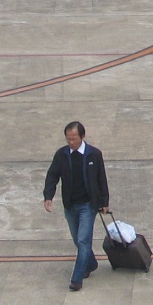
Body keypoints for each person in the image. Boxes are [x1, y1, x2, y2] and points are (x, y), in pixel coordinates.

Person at [42, 120, 110, 291]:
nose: (71, 142)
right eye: (68, 139)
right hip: (70, 205)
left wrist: (104, 202)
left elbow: (102, 179)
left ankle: (77, 279)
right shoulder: (62, 155)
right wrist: (48, 196)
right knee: (79, 241)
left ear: (82, 137)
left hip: (88, 206)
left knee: (82, 239)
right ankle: (91, 263)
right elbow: (52, 175)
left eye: (74, 139)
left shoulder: (94, 154)